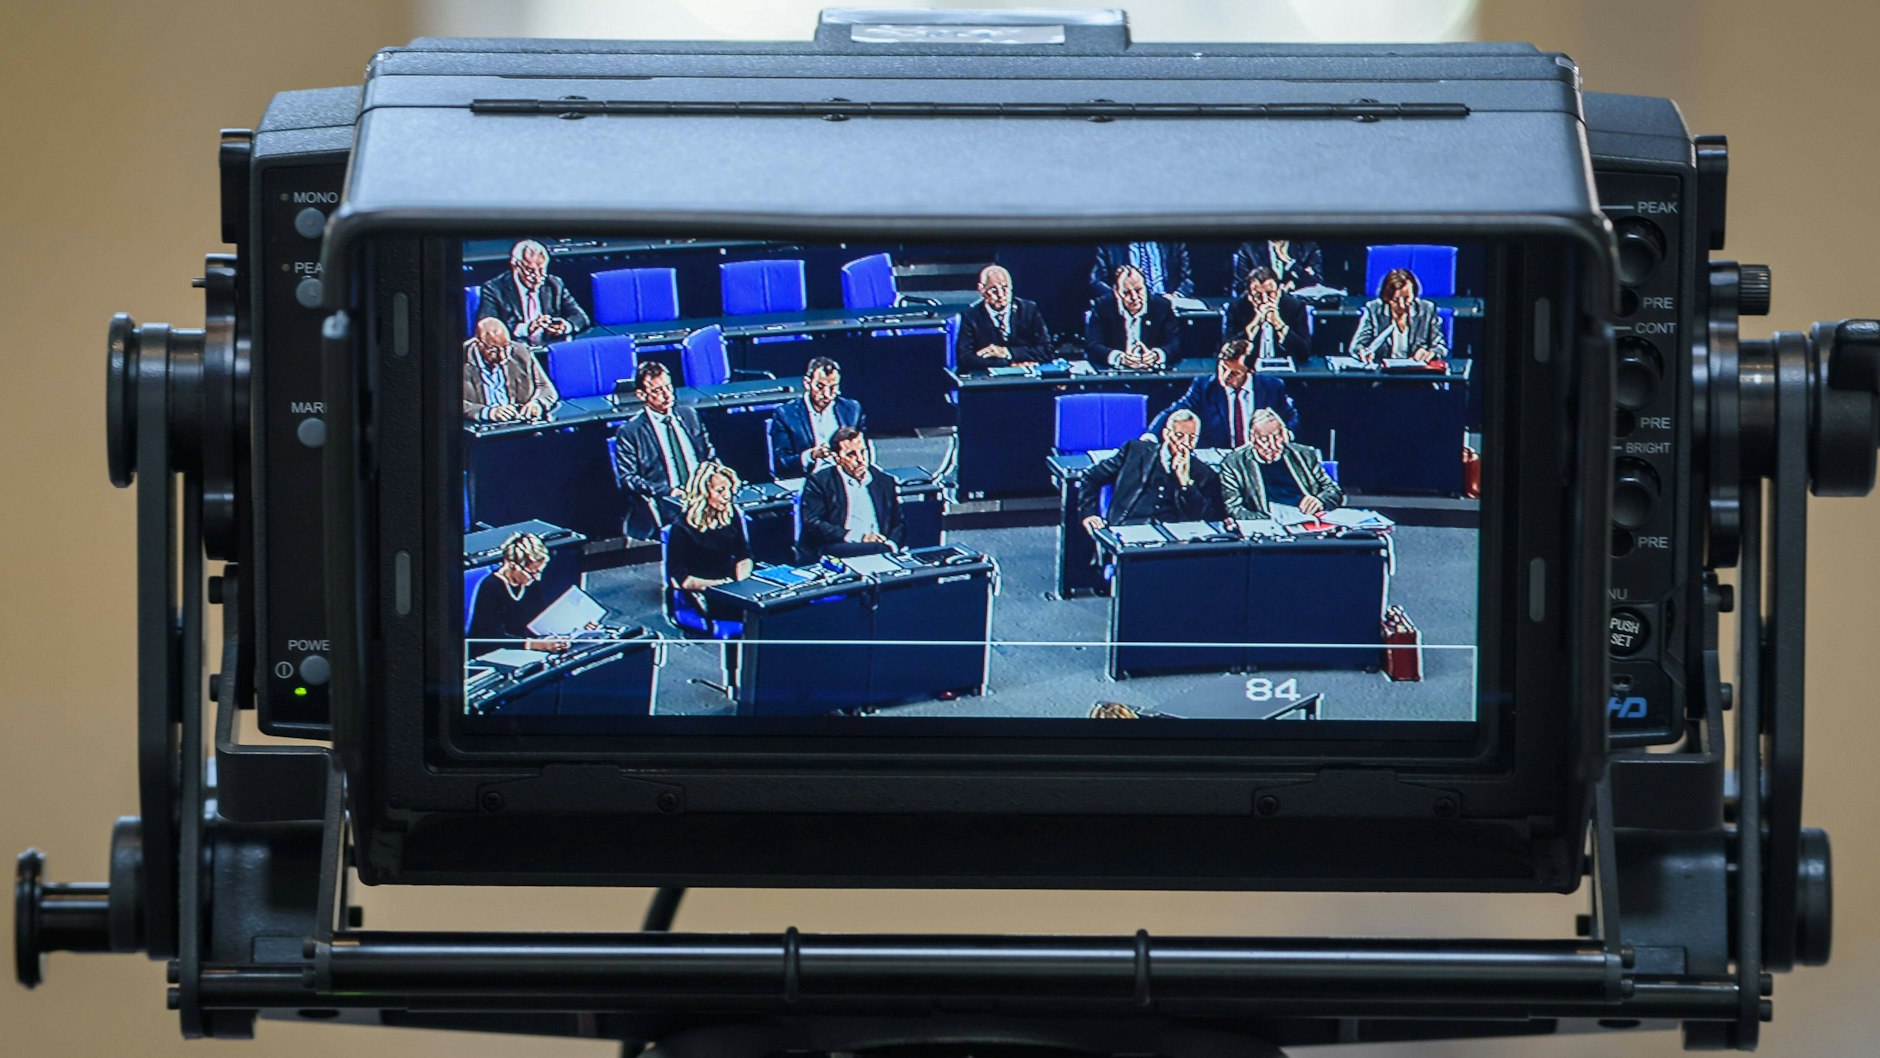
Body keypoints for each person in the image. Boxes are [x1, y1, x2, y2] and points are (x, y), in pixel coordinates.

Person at [612, 361, 717, 538]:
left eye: (668, 387)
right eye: (657, 391)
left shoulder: (689, 416)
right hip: (666, 499)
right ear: (641, 394)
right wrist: (668, 491)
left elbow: (709, 456)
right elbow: (628, 479)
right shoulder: (631, 431)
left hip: (701, 493)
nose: (667, 395)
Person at [1079, 409, 1223, 533]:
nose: (1185, 443)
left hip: (1174, 538)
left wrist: (1186, 484)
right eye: (1179, 436)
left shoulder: (1204, 473)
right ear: (1166, 434)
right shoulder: (1135, 451)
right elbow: (1090, 477)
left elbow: (1208, 516)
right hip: (1129, 526)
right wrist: (1089, 514)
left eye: (1192, 438)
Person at [1149, 339, 1298, 449]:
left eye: (1234, 373)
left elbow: (1290, 417)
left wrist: (1286, 435)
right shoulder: (1204, 387)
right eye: (1222, 369)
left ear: (1250, 371)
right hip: (1220, 458)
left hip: (1259, 456)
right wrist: (1151, 436)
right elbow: (1176, 411)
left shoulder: (1271, 387)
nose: (1225, 376)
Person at [1218, 407, 1346, 521]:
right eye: (1264, 439)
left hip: (1307, 521)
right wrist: (1269, 520)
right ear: (1252, 438)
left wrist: (1320, 501)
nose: (1273, 444)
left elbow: (1334, 491)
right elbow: (1234, 509)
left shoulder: (1304, 454)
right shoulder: (1234, 463)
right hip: (1267, 526)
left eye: (1277, 436)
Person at [798, 426, 905, 560]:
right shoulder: (820, 481)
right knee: (874, 550)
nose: (861, 460)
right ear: (837, 458)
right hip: (838, 547)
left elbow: (899, 523)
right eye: (851, 454)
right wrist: (859, 537)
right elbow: (813, 523)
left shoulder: (884, 481)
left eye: (863, 452)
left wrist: (891, 544)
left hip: (882, 548)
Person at [665, 461, 754, 616]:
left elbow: (744, 555)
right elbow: (681, 579)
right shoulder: (681, 527)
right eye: (720, 491)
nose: (727, 496)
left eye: (729, 489)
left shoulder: (731, 515)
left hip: (732, 587)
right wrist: (719, 586)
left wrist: (741, 583)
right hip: (703, 591)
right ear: (704, 493)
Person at [466, 532, 571, 652]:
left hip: (524, 649)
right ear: (512, 565)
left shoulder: (530, 583)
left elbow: (538, 620)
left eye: (539, 572)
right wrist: (533, 645)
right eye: (532, 573)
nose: (537, 578)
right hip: (493, 652)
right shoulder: (491, 587)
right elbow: (491, 636)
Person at [765, 357, 867, 479]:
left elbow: (863, 449)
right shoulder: (786, 414)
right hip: (807, 479)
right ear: (807, 383)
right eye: (820, 386)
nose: (827, 394)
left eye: (833, 387)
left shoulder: (852, 409)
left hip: (845, 477)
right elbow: (781, 463)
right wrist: (811, 455)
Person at [475, 238, 592, 345]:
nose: (537, 277)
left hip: (550, 346)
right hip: (514, 351)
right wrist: (526, 329)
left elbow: (581, 317)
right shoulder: (494, 288)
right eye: (530, 271)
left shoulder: (555, 284)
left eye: (541, 270)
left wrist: (565, 326)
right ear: (516, 266)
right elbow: (488, 330)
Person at [955, 265, 1053, 371]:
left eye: (1005, 288)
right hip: (989, 380)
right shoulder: (970, 316)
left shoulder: (1029, 309)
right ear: (981, 290)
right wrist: (1008, 363)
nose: (1001, 295)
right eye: (994, 290)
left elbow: (1047, 351)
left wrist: (1007, 352)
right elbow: (965, 358)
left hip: (1028, 376)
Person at [461, 317, 558, 423]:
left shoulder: (520, 351)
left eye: (506, 347)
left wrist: (537, 403)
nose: (502, 356)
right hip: (482, 427)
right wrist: (488, 412)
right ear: (479, 344)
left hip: (519, 421)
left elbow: (547, 389)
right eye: (493, 350)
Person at [1085, 265, 1181, 371]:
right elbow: (1093, 345)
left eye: (1139, 290)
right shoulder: (1102, 306)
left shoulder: (1162, 306)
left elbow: (1175, 343)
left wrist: (1156, 355)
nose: (1134, 297)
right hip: (1114, 374)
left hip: (1154, 373)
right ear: (1116, 292)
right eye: (1126, 293)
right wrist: (1120, 358)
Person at [1348, 267, 1449, 364]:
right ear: (1386, 298)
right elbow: (1356, 346)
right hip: (1383, 376)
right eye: (1396, 300)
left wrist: (1430, 354)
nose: (1402, 305)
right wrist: (1362, 353)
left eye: (1407, 298)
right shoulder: (1374, 309)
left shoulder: (1427, 309)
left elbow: (1441, 347)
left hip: (1417, 375)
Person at [1221, 266, 1312, 364]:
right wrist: (1254, 325)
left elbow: (1304, 354)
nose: (1265, 301)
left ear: (1278, 292)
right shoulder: (1237, 308)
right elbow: (1228, 354)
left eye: (1270, 294)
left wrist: (1278, 324)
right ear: (1249, 295)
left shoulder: (1295, 307)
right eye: (1258, 295)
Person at [1089, 242, 1193, 300]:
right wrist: (1121, 297)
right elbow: (1096, 282)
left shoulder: (1173, 242)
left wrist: (1176, 296)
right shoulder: (1109, 245)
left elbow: (1188, 279)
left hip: (1169, 303)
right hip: (1128, 306)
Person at [1231, 239, 1324, 294]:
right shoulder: (1248, 249)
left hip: (1297, 310)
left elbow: (1316, 285)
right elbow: (1240, 287)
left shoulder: (1308, 248)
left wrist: (1290, 263)